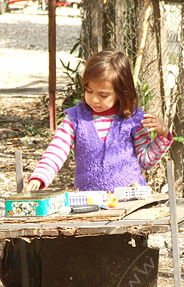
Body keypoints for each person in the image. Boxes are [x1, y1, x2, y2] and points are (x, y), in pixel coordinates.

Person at [24, 50, 173, 192]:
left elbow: (146, 161)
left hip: (131, 202)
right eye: (89, 91)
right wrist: (39, 177)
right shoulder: (75, 118)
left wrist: (163, 135)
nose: (94, 99)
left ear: (121, 93)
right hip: (90, 203)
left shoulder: (133, 119)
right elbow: (57, 149)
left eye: (103, 95)